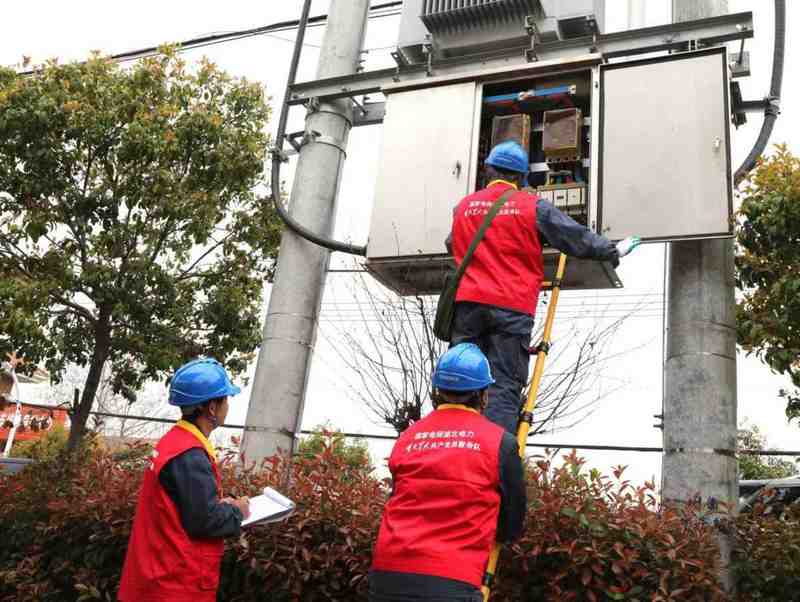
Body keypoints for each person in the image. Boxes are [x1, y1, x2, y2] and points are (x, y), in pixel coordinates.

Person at [446, 140, 641, 434]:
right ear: (522, 177)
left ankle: (458, 440)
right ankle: (495, 449)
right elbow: (574, 237)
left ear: (488, 170)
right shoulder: (531, 206)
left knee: (459, 379)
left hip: (467, 307)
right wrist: (613, 250)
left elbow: (452, 244)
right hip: (510, 307)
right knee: (503, 383)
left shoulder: (463, 207)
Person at [370, 343, 526, 601]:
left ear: (438, 390)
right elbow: (512, 523)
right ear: (483, 394)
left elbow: (397, 496)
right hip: (452, 578)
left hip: (387, 573)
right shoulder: (501, 443)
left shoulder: (407, 437)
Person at [118, 358, 250, 602]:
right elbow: (203, 521)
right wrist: (238, 511)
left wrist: (221, 505)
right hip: (175, 583)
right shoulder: (190, 454)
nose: (228, 406)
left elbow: (184, 506)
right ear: (212, 408)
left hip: (157, 574)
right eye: (226, 399)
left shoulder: (174, 442)